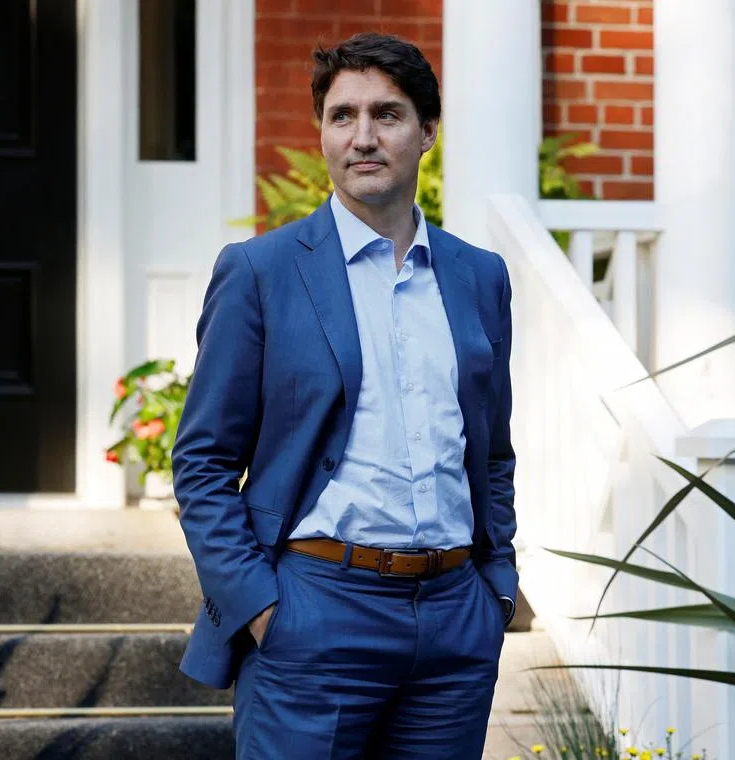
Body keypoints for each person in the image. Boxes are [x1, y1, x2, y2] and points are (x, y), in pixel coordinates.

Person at [171, 32, 518, 759]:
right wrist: (263, 608)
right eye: (342, 116)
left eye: (387, 115)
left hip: (456, 623)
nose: (362, 137)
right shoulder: (261, 273)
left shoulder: (478, 277)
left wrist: (497, 585)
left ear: (427, 132)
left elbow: (491, 452)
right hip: (316, 612)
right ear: (323, 132)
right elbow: (203, 462)